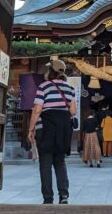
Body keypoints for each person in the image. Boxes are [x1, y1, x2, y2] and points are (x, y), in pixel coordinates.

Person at [27, 60, 77, 204]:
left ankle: (48, 198)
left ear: (50, 72)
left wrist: (31, 129)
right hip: (63, 130)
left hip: (46, 129)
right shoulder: (69, 88)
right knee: (60, 162)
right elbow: (73, 111)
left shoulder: (44, 87)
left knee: (45, 162)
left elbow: (37, 110)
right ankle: (64, 195)